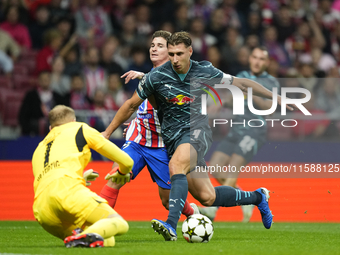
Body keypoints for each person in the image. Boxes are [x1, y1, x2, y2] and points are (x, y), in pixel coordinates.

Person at [102, 32, 291, 241]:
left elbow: (242, 83)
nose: (175, 59)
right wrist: (107, 133)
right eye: (172, 54)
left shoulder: (204, 70)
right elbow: (130, 105)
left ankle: (171, 225)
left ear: (190, 52)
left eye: (179, 54)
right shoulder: (156, 77)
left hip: (196, 133)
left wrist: (276, 97)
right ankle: (257, 197)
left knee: (175, 167)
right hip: (173, 140)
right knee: (207, 197)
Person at [100, 30, 198, 218]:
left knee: (166, 200)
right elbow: (132, 105)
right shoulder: (151, 74)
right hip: (137, 140)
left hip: (161, 145)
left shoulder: (176, 77)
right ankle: (96, 224)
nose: (154, 49)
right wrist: (110, 131)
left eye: (160, 46)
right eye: (152, 45)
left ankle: (193, 213)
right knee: (115, 177)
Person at [32, 105, 133, 248]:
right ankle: (81, 237)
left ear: (50, 128)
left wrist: (81, 179)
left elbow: (50, 180)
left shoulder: (39, 148)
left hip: (42, 210)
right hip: (67, 190)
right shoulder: (80, 128)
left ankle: (79, 238)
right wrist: (122, 172)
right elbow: (127, 161)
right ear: (73, 121)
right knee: (119, 224)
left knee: (107, 240)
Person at [199, 46, 280, 222]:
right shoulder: (242, 75)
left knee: (233, 168)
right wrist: (220, 104)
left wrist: (250, 92)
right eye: (255, 57)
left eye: (262, 59)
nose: (257, 61)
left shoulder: (271, 82)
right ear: (250, 58)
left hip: (254, 130)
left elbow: (270, 107)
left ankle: (212, 210)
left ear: (266, 63)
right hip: (236, 129)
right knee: (215, 167)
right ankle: (248, 200)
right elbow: (233, 99)